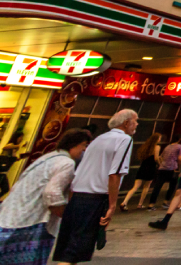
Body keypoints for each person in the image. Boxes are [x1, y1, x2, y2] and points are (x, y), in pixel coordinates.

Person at [0, 128, 90, 265]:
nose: (84, 150)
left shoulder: (46, 158)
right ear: (74, 144)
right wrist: (67, 216)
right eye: (84, 145)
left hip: (6, 220)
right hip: (31, 223)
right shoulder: (66, 163)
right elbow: (52, 193)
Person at [54, 109, 137, 264]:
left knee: (70, 246)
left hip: (77, 197)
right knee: (76, 249)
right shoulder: (124, 140)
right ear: (126, 123)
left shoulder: (98, 139)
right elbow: (115, 174)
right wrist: (112, 205)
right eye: (135, 120)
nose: (137, 124)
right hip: (94, 199)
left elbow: (81, 171)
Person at [119, 132, 162, 211]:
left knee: (135, 187)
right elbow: (155, 158)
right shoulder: (157, 147)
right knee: (146, 186)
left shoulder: (145, 147)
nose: (160, 139)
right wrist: (159, 163)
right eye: (159, 138)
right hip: (151, 168)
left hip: (142, 167)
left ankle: (124, 202)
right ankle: (140, 204)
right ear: (156, 139)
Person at [145, 137, 181, 211]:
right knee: (172, 186)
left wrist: (161, 164)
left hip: (163, 168)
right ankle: (166, 202)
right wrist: (179, 168)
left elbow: (161, 157)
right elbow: (180, 158)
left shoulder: (167, 146)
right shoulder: (179, 146)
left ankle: (151, 204)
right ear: (179, 140)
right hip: (173, 168)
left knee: (157, 186)